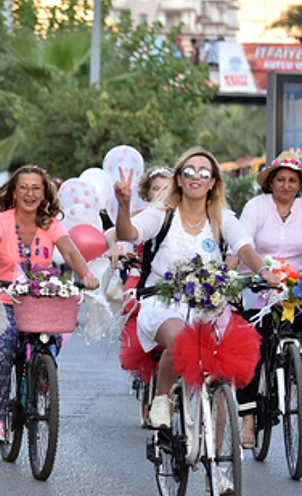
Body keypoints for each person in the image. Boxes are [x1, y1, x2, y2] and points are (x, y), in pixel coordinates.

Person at [113, 147, 280, 430]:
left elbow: (243, 246)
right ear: (179, 178)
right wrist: (124, 205)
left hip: (208, 303)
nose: (196, 177)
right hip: (163, 301)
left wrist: (264, 271)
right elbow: (128, 233)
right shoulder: (162, 213)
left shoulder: (222, 217)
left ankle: (218, 452)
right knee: (181, 340)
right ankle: (162, 399)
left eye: (204, 173)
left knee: (223, 367)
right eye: (189, 171)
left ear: (212, 182)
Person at [0, 165, 101, 444]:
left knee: (51, 339)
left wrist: (86, 274)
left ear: (44, 194)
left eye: (36, 188)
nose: (30, 193)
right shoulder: (0, 221)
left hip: (40, 300)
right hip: (7, 299)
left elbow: (69, 251)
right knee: (1, 350)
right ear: (14, 192)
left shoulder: (51, 224)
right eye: (24, 187)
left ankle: (43, 374)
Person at [234, 153, 302, 447]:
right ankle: (248, 421)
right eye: (280, 179)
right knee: (250, 348)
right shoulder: (256, 207)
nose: (286, 185)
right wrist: (234, 273)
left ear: (299, 185)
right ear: (270, 182)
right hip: (258, 285)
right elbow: (241, 245)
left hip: (296, 290)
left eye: (292, 180)